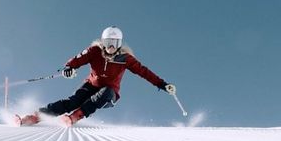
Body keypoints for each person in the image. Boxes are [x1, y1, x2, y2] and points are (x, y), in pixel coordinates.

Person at [16, 26, 176, 126]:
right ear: (103, 42)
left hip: (110, 93)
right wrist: (69, 67)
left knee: (105, 92)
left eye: (115, 43)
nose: (111, 47)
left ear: (120, 44)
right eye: (108, 42)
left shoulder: (126, 59)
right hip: (91, 85)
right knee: (73, 101)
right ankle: (33, 118)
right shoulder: (95, 51)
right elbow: (78, 58)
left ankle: (74, 117)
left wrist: (163, 85)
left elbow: (144, 72)